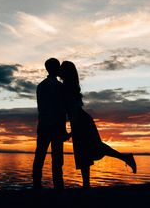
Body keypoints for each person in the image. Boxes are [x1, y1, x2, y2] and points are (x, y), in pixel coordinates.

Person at [59, 60, 136, 189]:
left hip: (80, 120)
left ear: (65, 72)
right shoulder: (72, 85)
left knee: (87, 151)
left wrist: (73, 129)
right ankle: (124, 158)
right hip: (82, 119)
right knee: (89, 150)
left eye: (62, 69)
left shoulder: (66, 87)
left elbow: (72, 108)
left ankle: (87, 184)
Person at [32, 58, 70, 190]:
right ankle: (58, 187)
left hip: (43, 125)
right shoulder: (59, 87)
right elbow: (60, 110)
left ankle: (36, 185)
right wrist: (64, 129)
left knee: (39, 157)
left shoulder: (40, 86)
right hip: (56, 126)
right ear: (56, 68)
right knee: (57, 160)